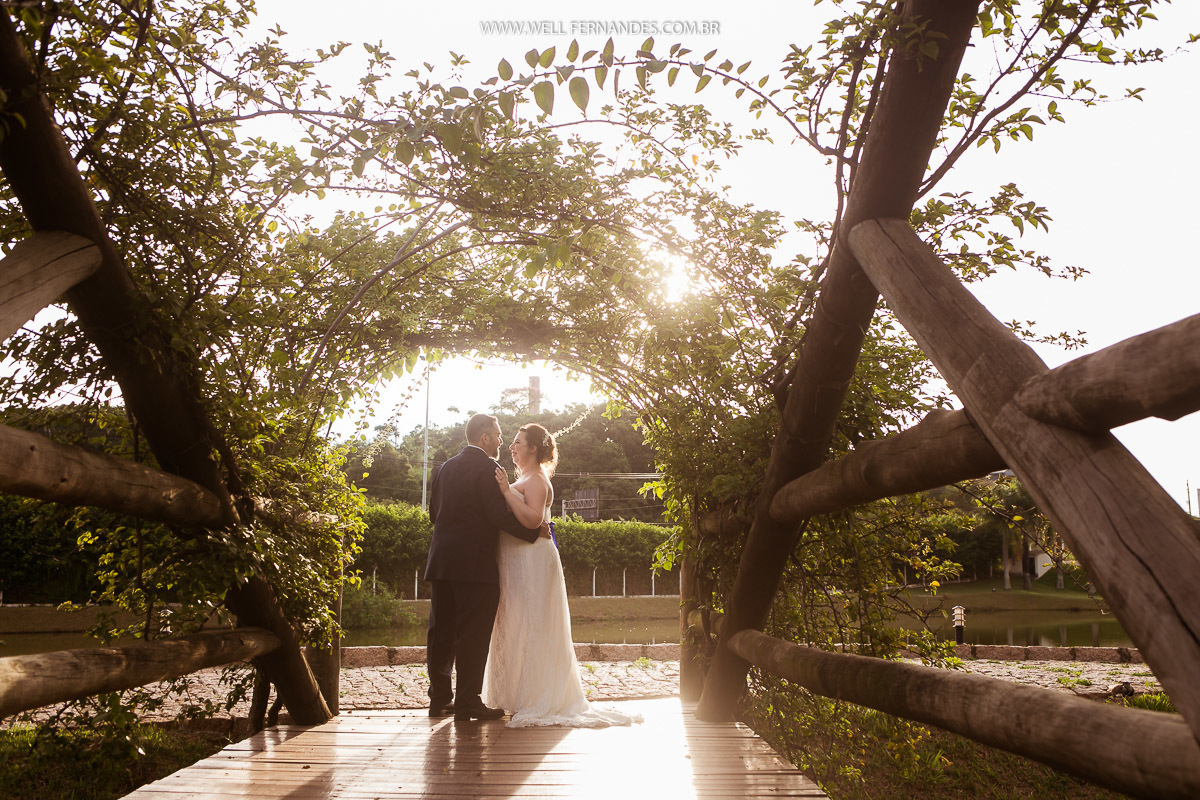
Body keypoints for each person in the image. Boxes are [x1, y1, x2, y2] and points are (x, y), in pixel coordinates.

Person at [483, 422, 641, 728]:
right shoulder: (527, 477)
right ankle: (515, 694)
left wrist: (504, 490)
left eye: (517, 442)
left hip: (533, 560)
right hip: (517, 559)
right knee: (517, 621)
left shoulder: (538, 479)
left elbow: (532, 520)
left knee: (534, 622)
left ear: (532, 448)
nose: (512, 447)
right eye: (512, 442)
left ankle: (536, 696)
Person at [424, 413, 550, 721]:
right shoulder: (490, 469)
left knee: (440, 633)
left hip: (440, 562)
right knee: (473, 634)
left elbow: (433, 515)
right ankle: (467, 702)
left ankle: (439, 699)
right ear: (484, 439)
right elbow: (498, 516)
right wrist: (534, 531)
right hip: (476, 566)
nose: (501, 440)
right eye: (498, 435)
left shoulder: (442, 469)